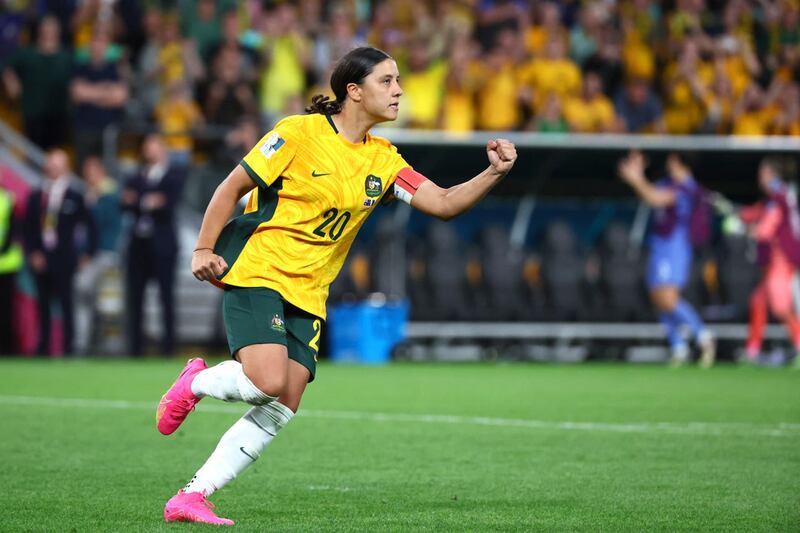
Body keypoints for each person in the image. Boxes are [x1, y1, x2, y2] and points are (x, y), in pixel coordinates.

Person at [155, 46, 517, 526]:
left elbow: (445, 202)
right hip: (260, 268)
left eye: (398, 80)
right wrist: (202, 249)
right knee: (267, 381)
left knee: (284, 402)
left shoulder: (385, 161)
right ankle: (196, 381)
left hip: (310, 290)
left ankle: (193, 495)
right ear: (353, 91)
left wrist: (493, 172)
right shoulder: (296, 134)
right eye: (386, 81)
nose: (399, 90)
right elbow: (230, 188)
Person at [618, 150, 715, 367]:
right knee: (658, 298)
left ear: (681, 162)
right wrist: (637, 175)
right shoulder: (666, 182)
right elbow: (648, 194)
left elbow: (656, 199)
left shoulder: (687, 188)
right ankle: (678, 346)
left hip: (675, 247)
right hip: (659, 245)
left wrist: (638, 179)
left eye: (672, 159)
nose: (668, 163)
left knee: (668, 298)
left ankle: (703, 335)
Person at [23, 149, 96, 356]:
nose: (54, 169)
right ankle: (43, 347)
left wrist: (88, 253)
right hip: (41, 257)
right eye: (51, 164)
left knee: (67, 303)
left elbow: (91, 225)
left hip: (65, 258)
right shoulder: (36, 196)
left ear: (66, 168)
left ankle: (68, 347)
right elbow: (27, 228)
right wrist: (33, 253)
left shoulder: (75, 196)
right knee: (43, 304)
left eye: (58, 165)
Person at [121, 134, 185, 356]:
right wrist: (149, 201)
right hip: (138, 245)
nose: (150, 150)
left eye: (154, 145)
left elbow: (167, 204)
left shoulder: (173, 175)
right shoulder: (136, 176)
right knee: (135, 297)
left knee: (166, 297)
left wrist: (139, 200)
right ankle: (135, 349)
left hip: (163, 246)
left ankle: (168, 348)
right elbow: (125, 202)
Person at [739, 158, 800, 364]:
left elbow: (766, 229)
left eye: (762, 172)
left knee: (781, 307)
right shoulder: (778, 195)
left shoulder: (779, 197)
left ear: (772, 174)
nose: (759, 177)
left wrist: (747, 229)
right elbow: (757, 211)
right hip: (777, 258)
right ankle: (753, 350)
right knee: (758, 301)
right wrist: (743, 216)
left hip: (782, 258)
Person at [74, 157, 122, 355]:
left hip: (103, 254)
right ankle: (93, 344)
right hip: (101, 254)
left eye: (92, 171)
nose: (88, 176)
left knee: (89, 295)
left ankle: (91, 345)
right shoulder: (95, 194)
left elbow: (99, 226)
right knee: (98, 301)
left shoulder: (106, 195)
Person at [0, 177, 23, 355]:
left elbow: (13, 230)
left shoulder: (8, 198)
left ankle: (7, 349)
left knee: (6, 311)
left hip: (6, 263)